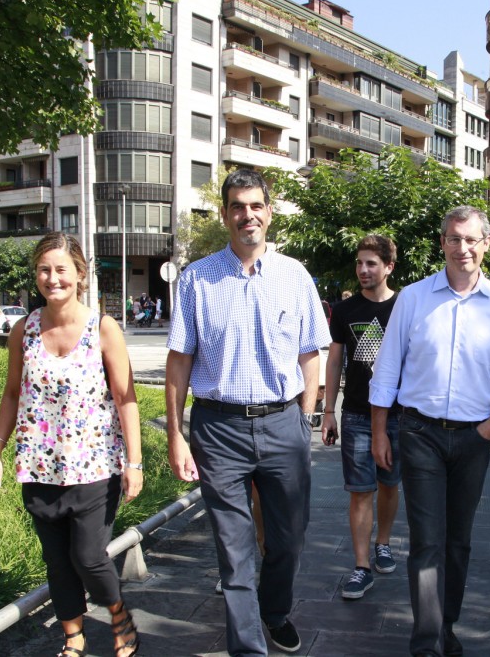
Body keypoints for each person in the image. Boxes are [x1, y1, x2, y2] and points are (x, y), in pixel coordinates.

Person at [165, 168, 330, 655]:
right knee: (234, 550)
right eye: (237, 206)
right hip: (219, 429)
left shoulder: (295, 276)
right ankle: (248, 647)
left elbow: (310, 355)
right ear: (224, 215)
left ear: (269, 213)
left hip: (283, 424)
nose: (247, 215)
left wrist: (304, 418)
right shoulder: (197, 279)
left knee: (289, 538)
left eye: (256, 205)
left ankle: (274, 612)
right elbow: (179, 363)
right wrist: (175, 434)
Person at [369, 206, 490, 656]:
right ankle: (426, 643)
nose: (463, 248)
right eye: (455, 239)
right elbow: (387, 368)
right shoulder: (414, 298)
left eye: (471, 239)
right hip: (419, 433)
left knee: (458, 541)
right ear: (442, 243)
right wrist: (380, 432)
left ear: (487, 243)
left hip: (473, 439)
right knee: (427, 541)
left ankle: (446, 625)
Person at [0, 232, 144, 657]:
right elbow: (12, 393)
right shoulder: (24, 330)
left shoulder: (102, 328)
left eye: (61, 269)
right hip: (39, 465)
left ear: (79, 274)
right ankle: (73, 636)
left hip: (94, 466)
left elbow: (125, 397)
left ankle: (118, 615)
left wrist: (135, 463)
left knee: (89, 557)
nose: (52, 278)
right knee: (56, 560)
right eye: (44, 270)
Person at [320, 234, 402, 601]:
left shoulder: (404, 307)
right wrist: (328, 411)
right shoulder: (345, 310)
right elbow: (334, 360)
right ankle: (361, 566)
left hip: (399, 415)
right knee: (359, 491)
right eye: (359, 263)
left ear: (389, 267)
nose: (363, 270)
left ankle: (383, 542)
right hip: (355, 414)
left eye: (371, 263)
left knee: (390, 484)